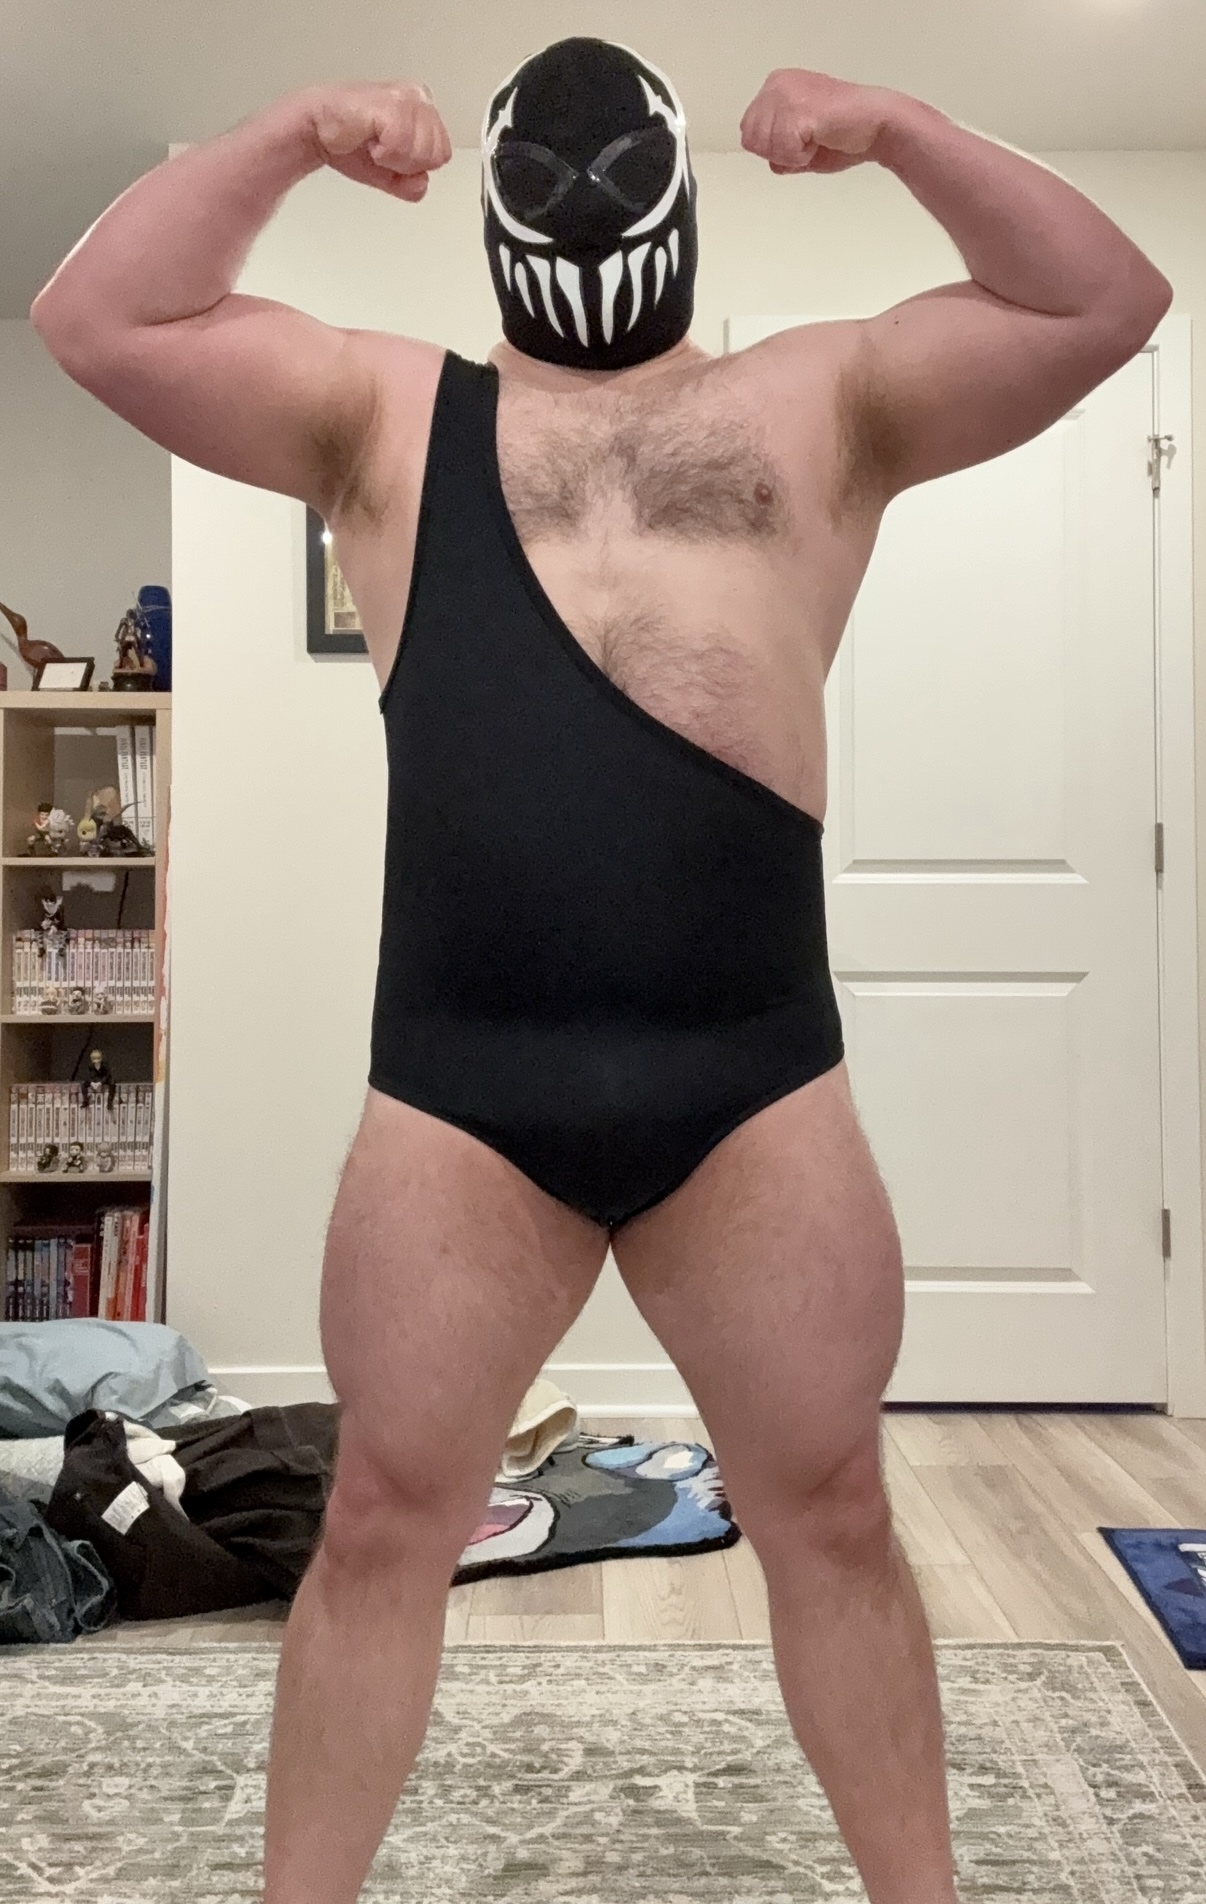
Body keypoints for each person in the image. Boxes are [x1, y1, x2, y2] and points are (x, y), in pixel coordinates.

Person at [30, 37, 1172, 1904]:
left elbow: (1101, 300)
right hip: (461, 1104)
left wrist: (899, 128)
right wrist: (293, 132)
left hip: (753, 1094)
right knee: (382, 1525)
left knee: (831, 1518)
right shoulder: (382, 413)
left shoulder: (817, 400)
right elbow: (100, 318)